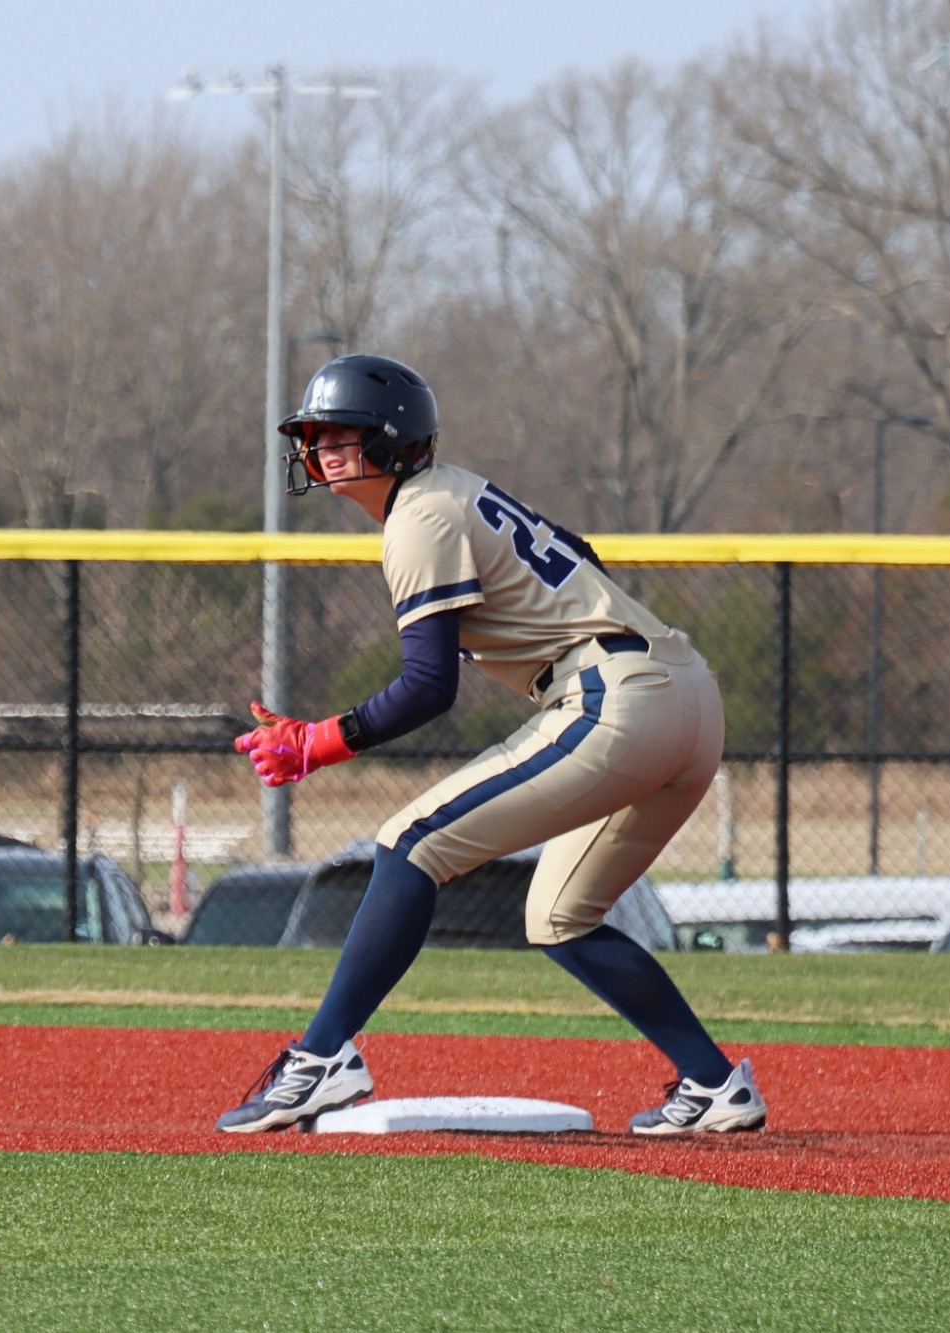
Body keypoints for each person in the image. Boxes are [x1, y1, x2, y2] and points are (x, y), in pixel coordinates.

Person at [217, 354, 765, 1136]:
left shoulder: (418, 516)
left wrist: (319, 742)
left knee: (410, 843)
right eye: (315, 432)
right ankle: (715, 1083)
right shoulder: (456, 490)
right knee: (560, 914)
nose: (324, 445)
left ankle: (321, 1059)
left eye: (344, 430)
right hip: (684, 690)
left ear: (395, 438)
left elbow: (428, 686)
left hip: (618, 696)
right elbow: (578, 551)